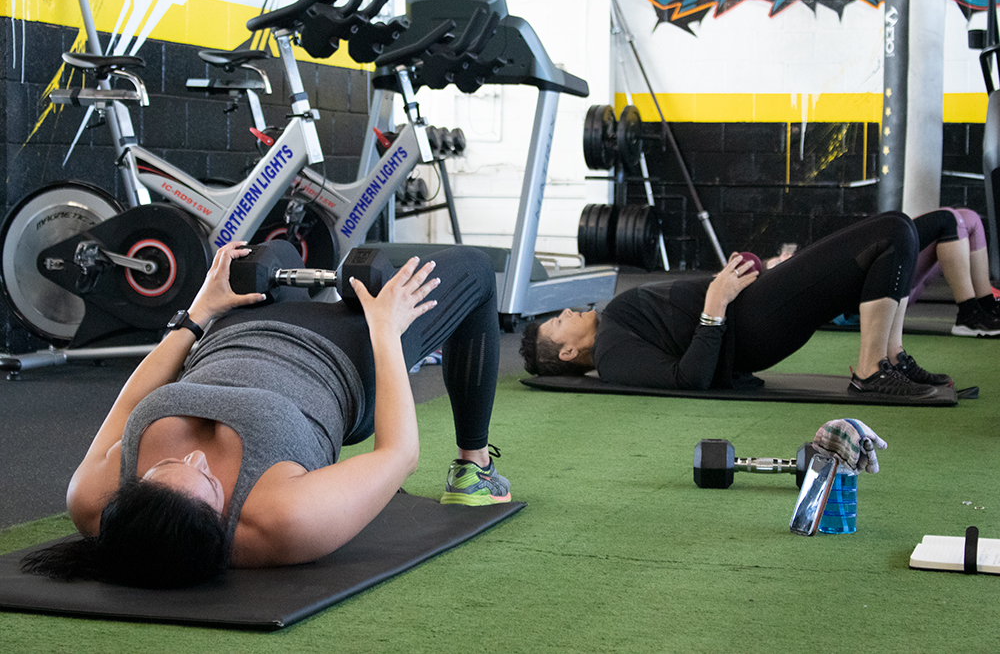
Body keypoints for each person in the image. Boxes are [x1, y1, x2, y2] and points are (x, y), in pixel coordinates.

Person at [21, 242, 510, 588]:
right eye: (209, 482)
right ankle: (474, 469)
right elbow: (399, 454)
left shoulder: (93, 501)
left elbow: (128, 405)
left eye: (160, 469)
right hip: (345, 359)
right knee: (476, 269)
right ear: (223, 527)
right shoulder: (284, 520)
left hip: (233, 333)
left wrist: (196, 316)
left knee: (263, 260)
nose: (193, 458)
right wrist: (388, 328)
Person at [520, 212, 951, 398]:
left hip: (755, 304)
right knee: (893, 231)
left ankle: (890, 359)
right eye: (558, 323)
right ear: (568, 352)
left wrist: (745, 277)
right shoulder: (613, 357)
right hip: (755, 327)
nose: (568, 313)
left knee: (911, 230)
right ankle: (870, 370)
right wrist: (716, 301)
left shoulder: (615, 319)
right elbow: (689, 379)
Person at [910, 208, 1000, 337]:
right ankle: (968, 313)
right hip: (874, 287)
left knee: (970, 217)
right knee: (947, 219)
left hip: (896, 276)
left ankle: (987, 305)